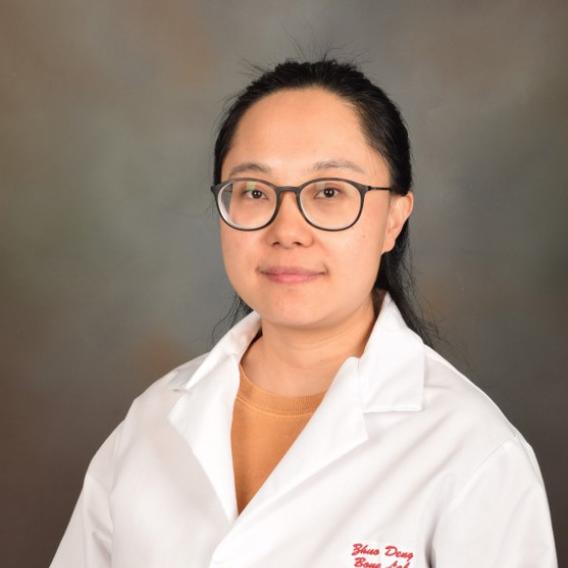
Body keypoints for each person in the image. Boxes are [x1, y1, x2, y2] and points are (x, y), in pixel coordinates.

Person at [50, 58, 558, 567]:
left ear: (394, 220)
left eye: (331, 192)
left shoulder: (474, 454)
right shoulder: (152, 423)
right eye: (253, 191)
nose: (287, 229)